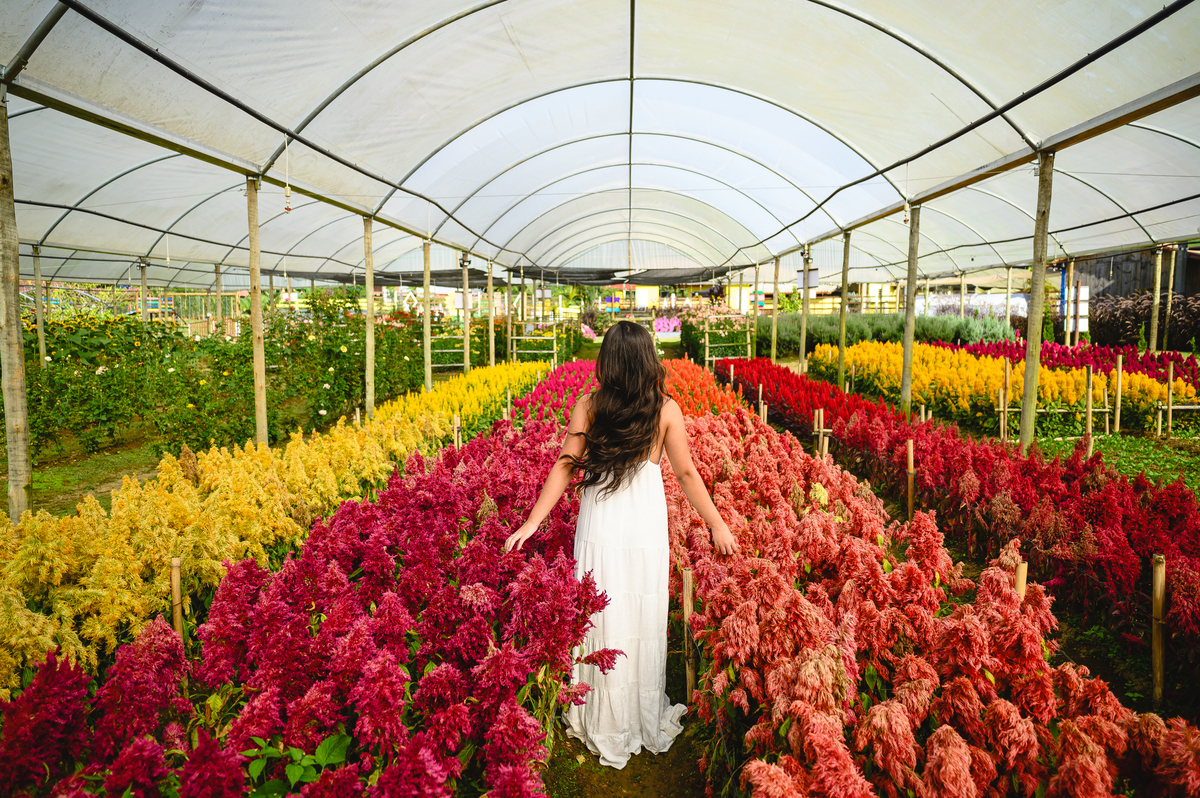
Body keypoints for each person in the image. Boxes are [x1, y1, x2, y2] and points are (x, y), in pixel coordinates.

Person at [504, 321, 737, 769]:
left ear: (607, 362)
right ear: (648, 359)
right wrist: (717, 524)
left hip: (603, 523)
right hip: (644, 525)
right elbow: (687, 475)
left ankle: (600, 712)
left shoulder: (589, 406)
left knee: (603, 611)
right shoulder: (665, 409)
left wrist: (533, 523)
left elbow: (566, 465)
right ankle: (634, 713)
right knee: (641, 610)